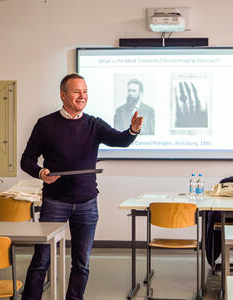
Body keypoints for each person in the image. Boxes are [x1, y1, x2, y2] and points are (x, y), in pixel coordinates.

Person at [20, 73, 143, 300]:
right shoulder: (45, 124)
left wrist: (132, 131)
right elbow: (26, 160)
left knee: (82, 263)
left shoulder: (93, 124)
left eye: (85, 92)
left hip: (87, 203)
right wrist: (40, 173)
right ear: (63, 95)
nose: (82, 96)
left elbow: (121, 140)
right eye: (77, 91)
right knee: (41, 260)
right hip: (54, 202)